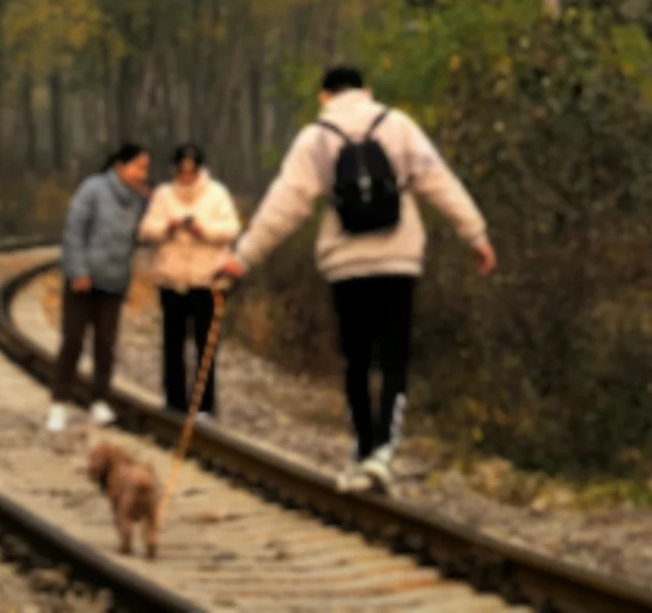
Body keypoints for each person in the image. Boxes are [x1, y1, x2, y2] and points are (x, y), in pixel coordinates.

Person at [217, 65, 496, 495]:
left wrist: (242, 258)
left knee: (356, 358)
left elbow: (283, 206)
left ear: (323, 96)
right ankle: (385, 451)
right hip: (399, 259)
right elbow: (438, 180)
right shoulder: (398, 124)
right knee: (395, 355)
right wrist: (474, 234)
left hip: (345, 264)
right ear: (367, 91)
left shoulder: (316, 137)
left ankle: (362, 452)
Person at [46, 142, 151, 434]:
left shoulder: (138, 199)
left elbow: (147, 231)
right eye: (138, 166)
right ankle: (59, 401)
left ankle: (99, 400)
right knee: (73, 341)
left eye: (145, 168)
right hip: (83, 280)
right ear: (119, 166)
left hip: (114, 280)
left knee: (106, 343)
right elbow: (74, 230)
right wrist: (77, 270)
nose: (142, 173)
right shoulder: (93, 189)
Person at [138, 142, 241, 419]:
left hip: (206, 281)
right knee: (172, 344)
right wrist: (167, 228)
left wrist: (202, 230)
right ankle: (173, 402)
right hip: (171, 280)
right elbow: (146, 229)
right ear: (174, 169)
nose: (185, 176)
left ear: (199, 170)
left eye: (191, 171)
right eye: (181, 170)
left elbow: (232, 228)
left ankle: (204, 405)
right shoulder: (162, 194)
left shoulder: (217, 193)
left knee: (205, 347)